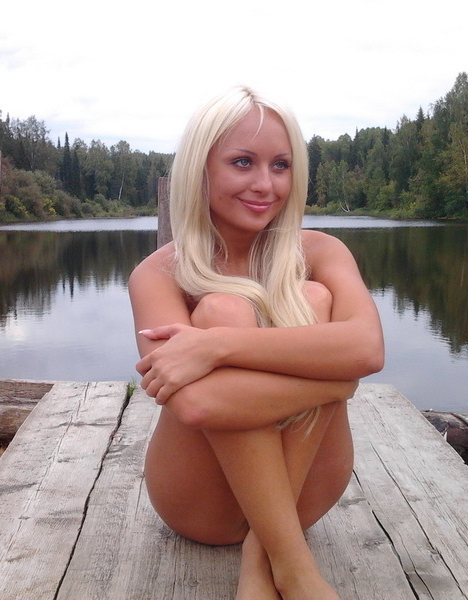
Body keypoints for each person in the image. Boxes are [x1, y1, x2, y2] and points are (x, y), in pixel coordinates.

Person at [128, 85, 384, 600]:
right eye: (242, 162)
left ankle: (267, 556)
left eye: (281, 165)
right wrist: (337, 380)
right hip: (200, 505)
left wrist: (217, 347)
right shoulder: (159, 274)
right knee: (222, 307)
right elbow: (199, 405)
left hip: (307, 495)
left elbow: (367, 349)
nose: (266, 184)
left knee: (310, 297)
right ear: (200, 169)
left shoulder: (321, 251)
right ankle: (292, 565)